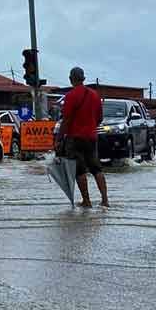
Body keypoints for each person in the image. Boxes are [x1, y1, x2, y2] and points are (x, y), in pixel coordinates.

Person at [56, 67, 107, 208]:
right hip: (91, 137)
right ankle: (105, 200)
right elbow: (100, 118)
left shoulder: (70, 96)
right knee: (96, 168)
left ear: (71, 79)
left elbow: (66, 120)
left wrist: (59, 139)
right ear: (83, 78)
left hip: (75, 138)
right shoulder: (95, 95)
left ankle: (87, 201)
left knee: (79, 170)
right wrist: (90, 126)